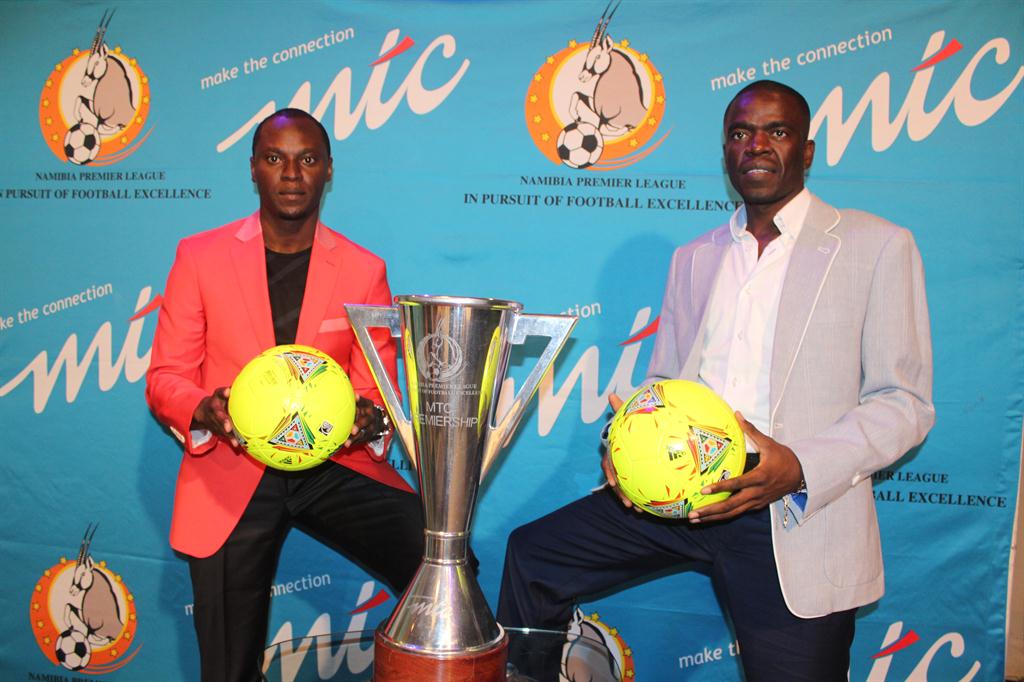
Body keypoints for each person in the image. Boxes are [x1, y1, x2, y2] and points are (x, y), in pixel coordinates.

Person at [497, 80, 934, 681]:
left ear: (806, 151)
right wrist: (625, 449)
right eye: (740, 133)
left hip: (791, 509)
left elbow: (904, 402)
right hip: (680, 492)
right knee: (534, 556)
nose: (756, 145)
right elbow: (665, 379)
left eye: (777, 131)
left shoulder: (876, 245)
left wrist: (798, 467)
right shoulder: (695, 256)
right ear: (726, 152)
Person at [146, 108, 423, 682]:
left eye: (308, 159)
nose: (292, 173)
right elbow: (166, 376)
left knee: (445, 564)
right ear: (253, 169)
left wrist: (370, 419)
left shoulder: (363, 269)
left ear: (328, 171)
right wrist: (203, 409)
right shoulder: (200, 257)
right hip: (233, 465)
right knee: (228, 667)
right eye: (275, 159)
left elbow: (376, 389)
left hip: (332, 465)